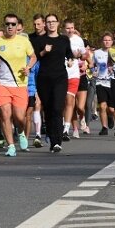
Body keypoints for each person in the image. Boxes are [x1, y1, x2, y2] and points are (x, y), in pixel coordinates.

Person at [0, 14, 37, 157]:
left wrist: (28, 67)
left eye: (13, 24)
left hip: (20, 84)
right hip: (3, 84)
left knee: (19, 117)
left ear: (17, 26)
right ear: (4, 25)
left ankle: (21, 132)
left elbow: (33, 57)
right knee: (5, 115)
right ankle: (11, 146)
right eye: (7, 24)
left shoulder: (24, 41)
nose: (10, 26)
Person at [32, 14, 74, 153]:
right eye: (48, 22)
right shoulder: (40, 40)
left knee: (57, 107)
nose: (51, 24)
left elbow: (69, 53)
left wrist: (70, 60)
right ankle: (51, 135)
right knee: (48, 110)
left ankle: (57, 141)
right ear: (45, 24)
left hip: (60, 78)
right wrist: (44, 51)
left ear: (58, 23)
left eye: (53, 22)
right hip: (44, 78)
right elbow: (35, 57)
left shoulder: (63, 39)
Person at [62, 19, 87, 141]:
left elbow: (84, 55)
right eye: (67, 28)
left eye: (72, 27)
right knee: (62, 103)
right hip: (61, 74)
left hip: (74, 74)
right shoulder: (60, 39)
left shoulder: (78, 40)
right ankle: (64, 125)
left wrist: (79, 56)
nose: (70, 30)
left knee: (70, 100)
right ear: (63, 29)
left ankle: (66, 129)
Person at [28, 14, 46, 148]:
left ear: (44, 23)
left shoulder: (49, 37)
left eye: (39, 24)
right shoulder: (30, 38)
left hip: (46, 71)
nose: (36, 26)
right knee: (36, 102)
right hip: (33, 69)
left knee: (47, 103)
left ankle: (48, 126)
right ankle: (38, 134)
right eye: (34, 24)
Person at [91, 32, 114, 135]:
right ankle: (104, 127)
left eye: (109, 40)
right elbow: (92, 64)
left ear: (112, 41)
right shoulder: (97, 53)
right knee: (102, 106)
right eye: (105, 40)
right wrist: (93, 71)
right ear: (102, 41)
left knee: (112, 109)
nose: (107, 42)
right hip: (100, 82)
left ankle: (110, 116)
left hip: (113, 83)